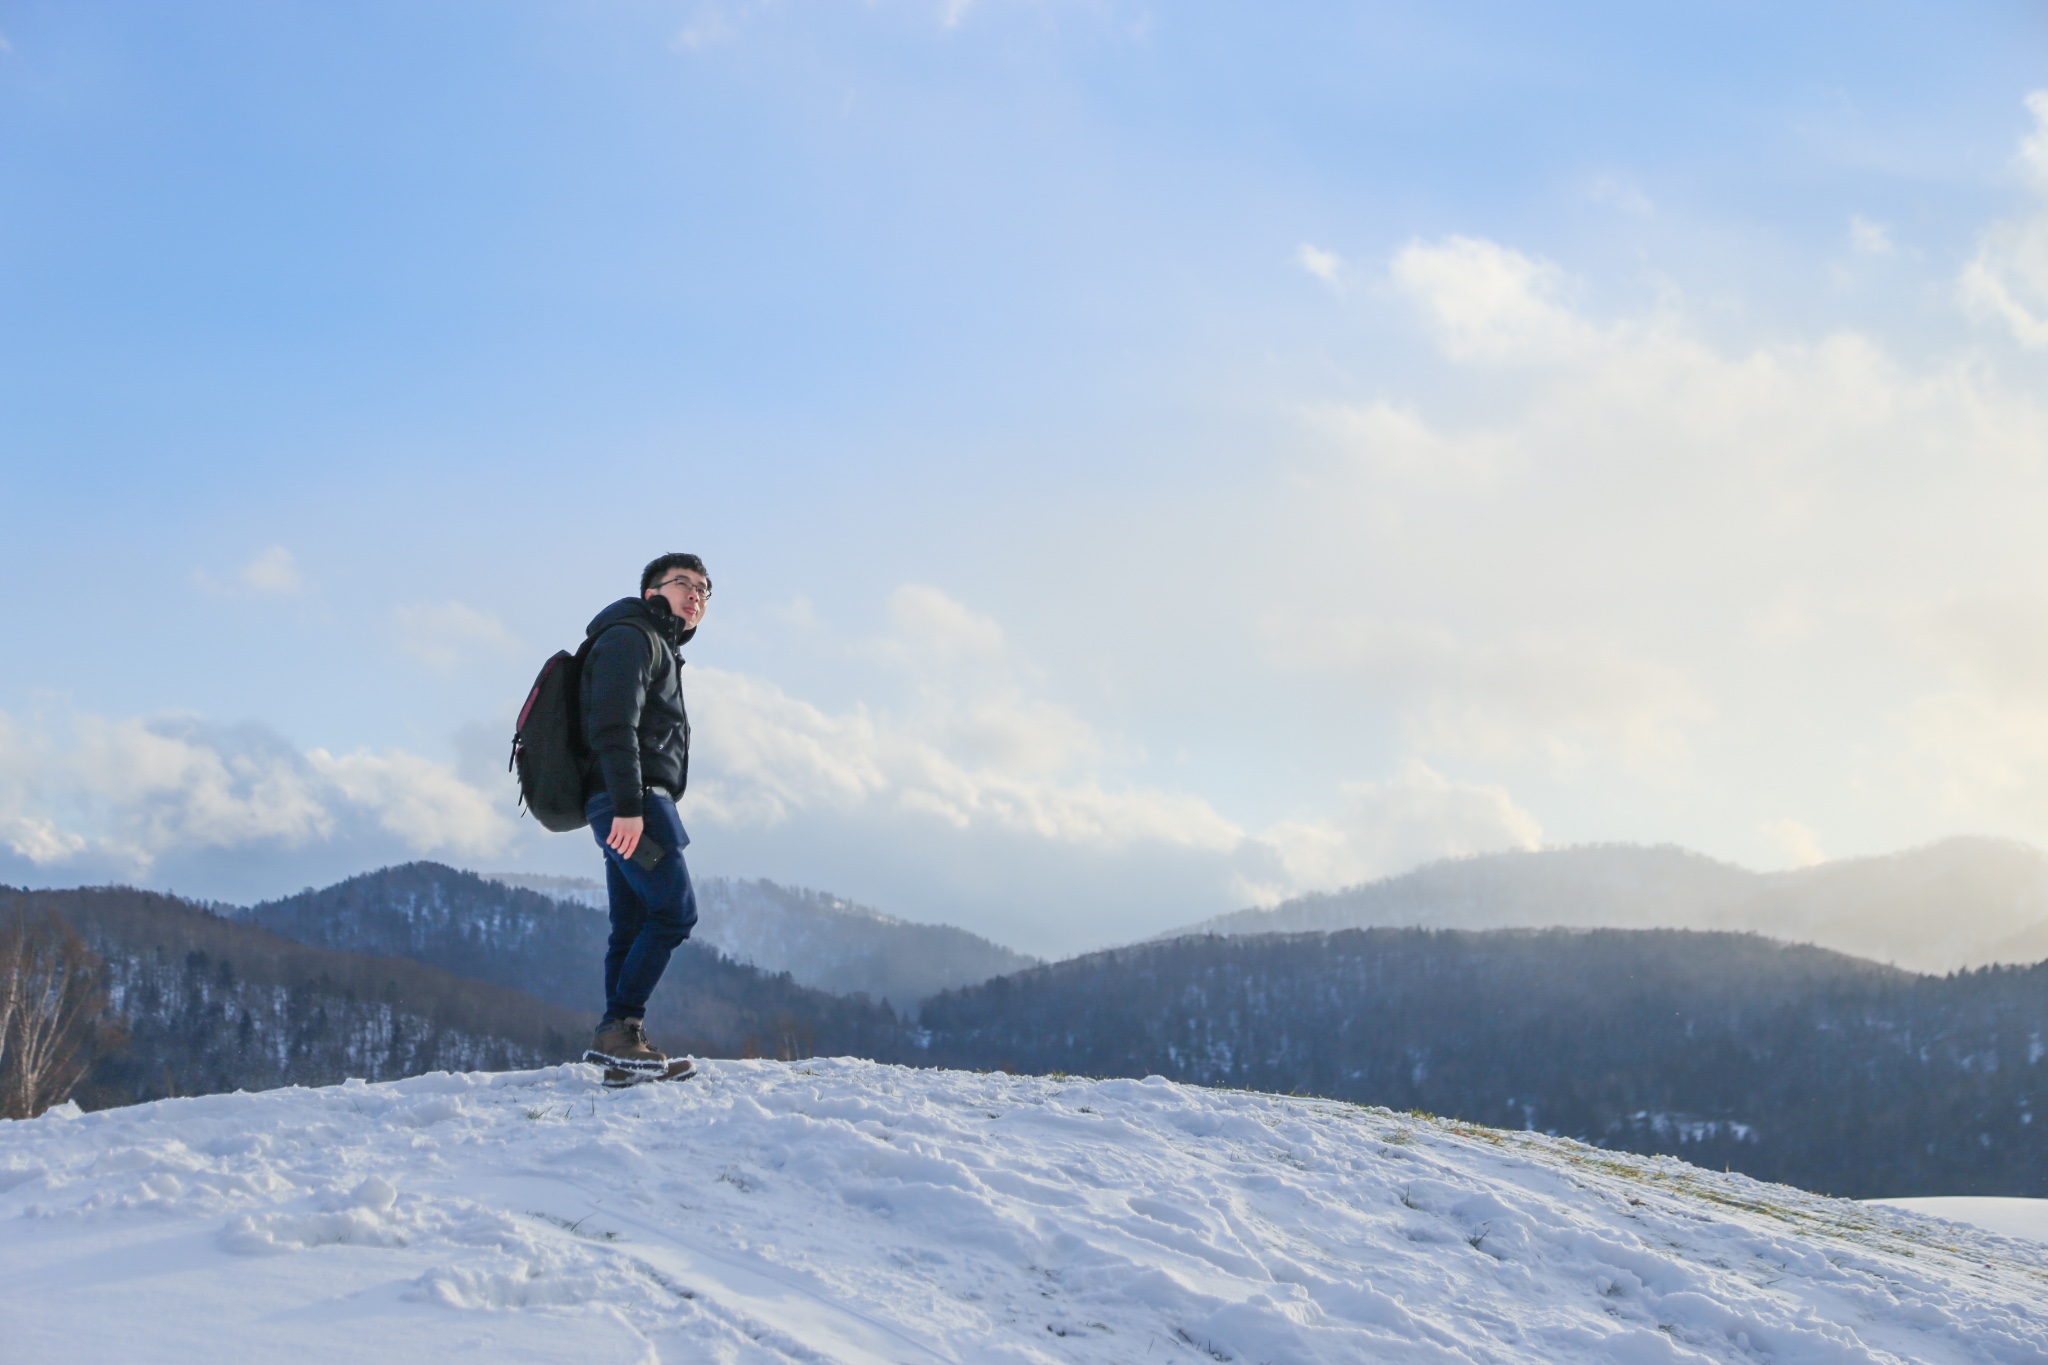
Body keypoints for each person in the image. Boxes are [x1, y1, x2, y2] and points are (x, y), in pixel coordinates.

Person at [579, 553, 711, 1080]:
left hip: (623, 799)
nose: (696, 595)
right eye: (684, 584)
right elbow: (615, 724)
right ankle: (619, 1030)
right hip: (631, 800)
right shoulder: (633, 637)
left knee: (631, 924)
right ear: (654, 591)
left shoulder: (649, 643)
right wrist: (631, 808)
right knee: (674, 912)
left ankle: (621, 1051)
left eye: (704, 589)